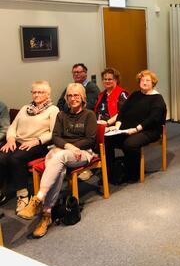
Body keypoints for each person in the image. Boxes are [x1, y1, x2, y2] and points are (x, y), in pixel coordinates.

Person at [17, 83, 97, 238]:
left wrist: (71, 148)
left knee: (57, 157)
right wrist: (67, 146)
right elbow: (55, 137)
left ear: (83, 98)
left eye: (76, 95)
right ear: (66, 98)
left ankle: (38, 199)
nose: (73, 98)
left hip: (83, 153)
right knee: (58, 168)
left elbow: (90, 140)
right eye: (70, 96)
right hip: (61, 150)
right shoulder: (62, 115)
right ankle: (47, 213)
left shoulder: (89, 115)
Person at [0, 81, 59, 212]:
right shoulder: (25, 108)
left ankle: (23, 195)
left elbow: (54, 132)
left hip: (40, 144)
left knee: (15, 158)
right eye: (34, 92)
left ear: (48, 94)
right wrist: (10, 139)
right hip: (18, 142)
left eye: (40, 92)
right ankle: (1, 192)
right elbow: (12, 127)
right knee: (2, 157)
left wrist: (36, 141)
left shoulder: (53, 110)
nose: (36, 94)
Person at [105, 70, 166, 182]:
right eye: (142, 80)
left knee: (129, 144)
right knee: (107, 140)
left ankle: (133, 172)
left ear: (153, 83)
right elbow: (122, 111)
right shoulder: (135, 94)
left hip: (148, 130)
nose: (144, 82)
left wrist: (136, 129)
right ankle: (110, 171)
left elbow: (153, 119)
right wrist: (117, 126)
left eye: (148, 80)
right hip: (128, 128)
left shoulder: (157, 99)